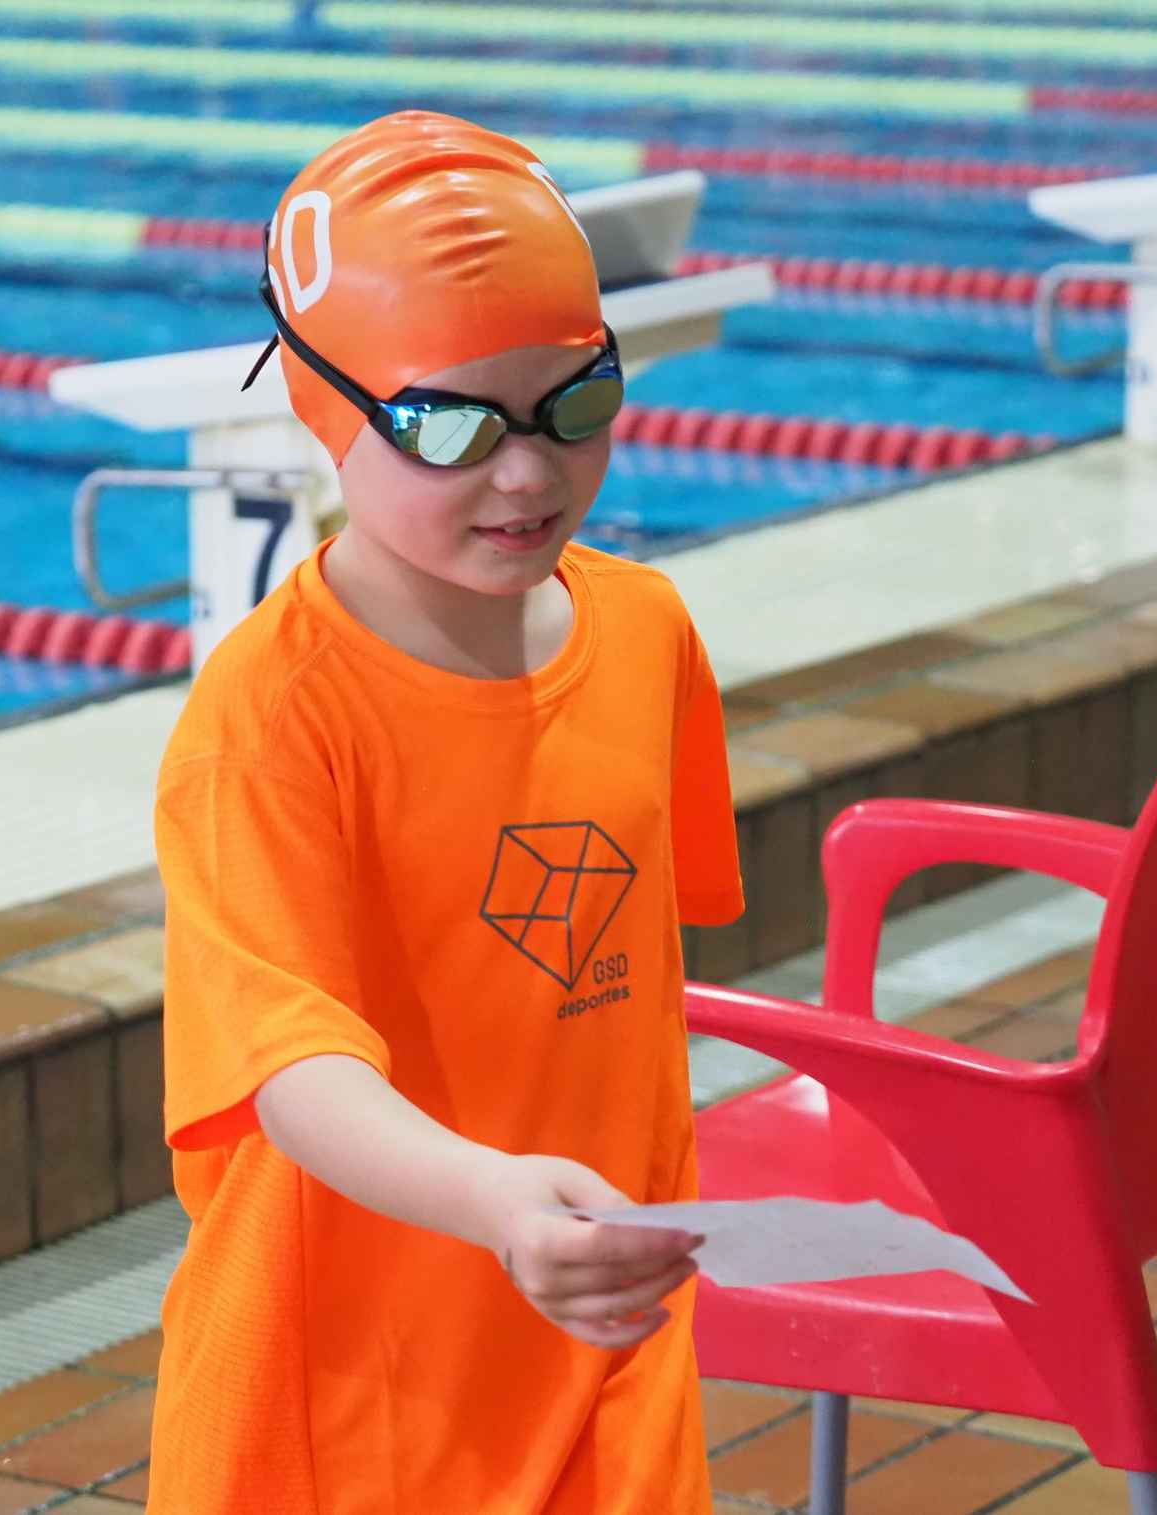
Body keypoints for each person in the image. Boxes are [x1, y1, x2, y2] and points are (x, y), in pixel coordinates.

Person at [149, 110, 745, 1513]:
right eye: (448, 426)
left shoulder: (647, 631)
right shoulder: (271, 720)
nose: (527, 473)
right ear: (328, 411)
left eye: (575, 401)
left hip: (605, 1345)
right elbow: (289, 1071)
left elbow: (623, 989)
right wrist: (494, 1203)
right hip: (354, 1403)